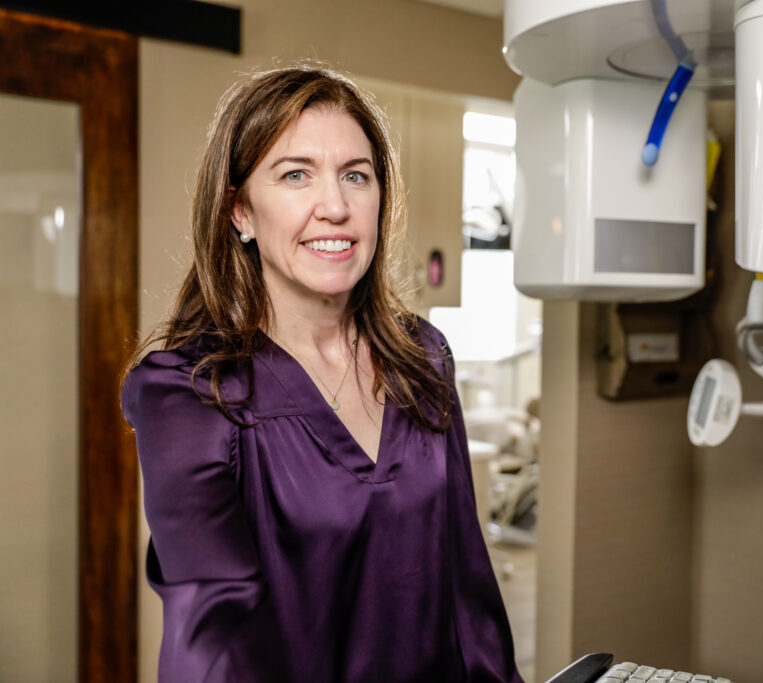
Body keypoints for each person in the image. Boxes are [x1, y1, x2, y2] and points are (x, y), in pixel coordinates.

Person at [121, 64, 523, 682]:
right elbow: (213, 641)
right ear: (241, 213)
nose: (334, 206)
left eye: (355, 176)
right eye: (296, 175)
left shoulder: (423, 357)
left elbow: (468, 593)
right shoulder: (188, 393)